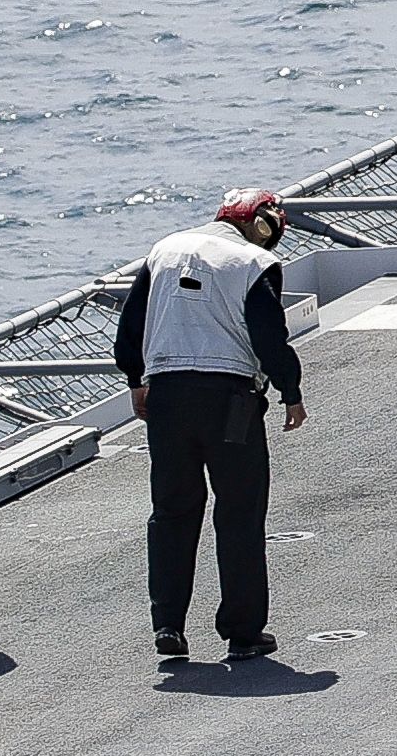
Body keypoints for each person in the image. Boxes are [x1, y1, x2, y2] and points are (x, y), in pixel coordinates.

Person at [114, 185, 305, 664]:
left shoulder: (165, 248)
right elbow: (268, 335)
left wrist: (136, 379)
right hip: (229, 402)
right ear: (261, 224)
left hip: (167, 400)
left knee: (172, 511)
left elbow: (130, 324)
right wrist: (291, 390)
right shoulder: (252, 262)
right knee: (238, 513)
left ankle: (168, 626)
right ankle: (243, 633)